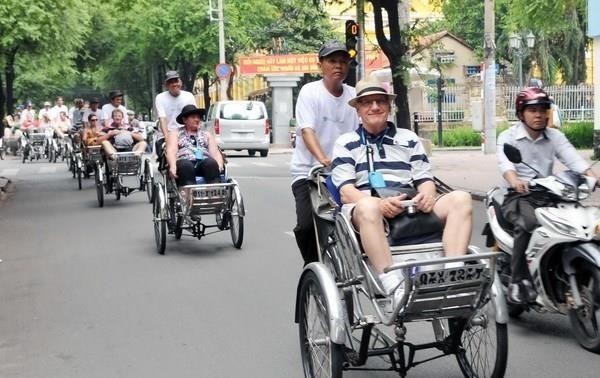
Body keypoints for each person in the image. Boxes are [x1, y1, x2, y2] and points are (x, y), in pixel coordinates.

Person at [330, 78, 472, 307]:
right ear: (358, 109)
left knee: (462, 199)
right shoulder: (346, 143)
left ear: (388, 105)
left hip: (410, 205)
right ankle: (392, 283)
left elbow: (425, 179)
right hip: (366, 208)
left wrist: (427, 194)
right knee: (367, 207)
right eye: (367, 102)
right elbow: (346, 192)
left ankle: (452, 274)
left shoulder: (408, 139)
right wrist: (378, 203)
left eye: (380, 101)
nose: (374, 107)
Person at [497, 87, 596, 304]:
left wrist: (592, 177)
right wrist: (515, 181)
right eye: (533, 110)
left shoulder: (554, 136)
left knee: (585, 222)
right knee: (528, 224)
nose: (539, 115)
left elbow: (574, 160)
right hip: (520, 196)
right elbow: (506, 166)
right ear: (521, 113)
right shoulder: (509, 137)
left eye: (543, 110)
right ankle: (519, 281)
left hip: (551, 193)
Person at [290, 40, 359, 265]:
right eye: (332, 61)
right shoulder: (310, 92)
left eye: (343, 61)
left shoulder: (354, 95)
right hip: (310, 173)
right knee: (306, 226)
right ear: (320, 65)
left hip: (346, 173)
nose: (338, 66)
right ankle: (313, 269)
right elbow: (307, 131)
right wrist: (324, 160)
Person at [165, 104, 224, 187]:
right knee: (186, 165)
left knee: (211, 163)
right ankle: (189, 195)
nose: (197, 119)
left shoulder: (206, 134)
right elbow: (171, 151)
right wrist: (173, 166)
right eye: (193, 117)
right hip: (184, 162)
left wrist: (219, 165)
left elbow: (215, 153)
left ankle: (214, 191)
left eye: (198, 117)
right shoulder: (175, 134)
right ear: (184, 120)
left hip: (203, 161)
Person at [154, 70, 196, 159]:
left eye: (176, 81)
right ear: (166, 85)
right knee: (166, 152)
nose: (174, 84)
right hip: (168, 133)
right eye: (170, 82)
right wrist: (167, 137)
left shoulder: (189, 96)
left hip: (186, 132)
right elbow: (162, 118)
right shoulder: (160, 98)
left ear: (180, 82)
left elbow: (194, 117)